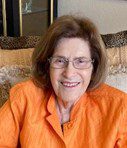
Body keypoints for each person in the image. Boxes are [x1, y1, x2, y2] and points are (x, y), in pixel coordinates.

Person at [0, 15, 127, 147]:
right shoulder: (24, 97)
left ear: (94, 67)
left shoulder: (120, 107)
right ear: (46, 64)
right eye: (60, 61)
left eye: (81, 61)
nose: (69, 73)